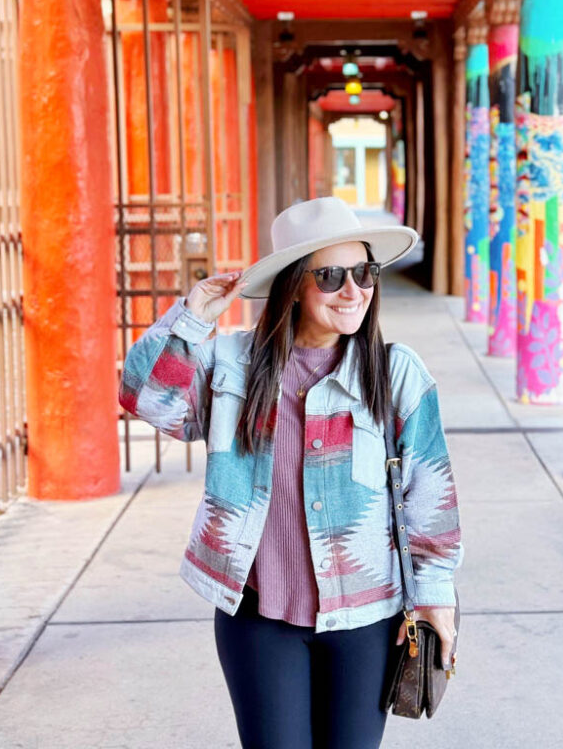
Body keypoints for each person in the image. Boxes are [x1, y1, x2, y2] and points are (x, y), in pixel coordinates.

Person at [119, 196, 462, 749]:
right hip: (258, 619)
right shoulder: (232, 365)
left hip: (366, 619)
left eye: (364, 273)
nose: (353, 291)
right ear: (293, 286)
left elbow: (431, 497)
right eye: (330, 276)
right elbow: (144, 397)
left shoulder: (396, 373)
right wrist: (193, 318)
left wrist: (435, 597)